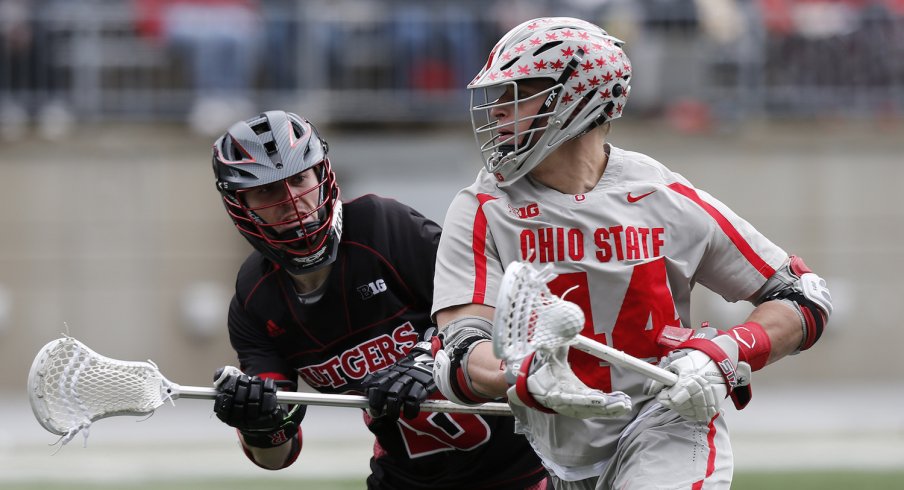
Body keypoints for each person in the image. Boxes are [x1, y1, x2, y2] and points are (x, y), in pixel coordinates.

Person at [430, 17, 833, 489]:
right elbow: (461, 348)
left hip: (668, 424)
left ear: (578, 97)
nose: (498, 109)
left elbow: (802, 297)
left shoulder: (661, 195)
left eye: (518, 89)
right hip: (559, 453)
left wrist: (720, 356)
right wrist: (522, 375)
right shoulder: (482, 206)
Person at [207, 110, 549, 489]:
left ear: (321, 174)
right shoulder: (255, 298)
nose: (292, 201)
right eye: (269, 190)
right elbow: (279, 455)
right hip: (406, 477)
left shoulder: (383, 227)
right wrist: (256, 419)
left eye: (299, 179)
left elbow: (502, 320)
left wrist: (428, 358)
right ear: (240, 204)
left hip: (519, 465)